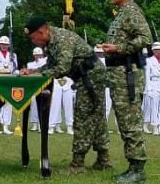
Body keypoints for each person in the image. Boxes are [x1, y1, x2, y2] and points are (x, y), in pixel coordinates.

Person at [21, 16, 110, 175]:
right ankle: (104, 160)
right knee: (97, 116)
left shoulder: (62, 39)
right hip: (87, 76)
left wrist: (39, 76)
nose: (33, 42)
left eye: (33, 38)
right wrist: (33, 72)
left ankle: (78, 164)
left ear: (42, 32)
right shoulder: (52, 41)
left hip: (91, 77)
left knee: (83, 118)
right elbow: (51, 65)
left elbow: (63, 67)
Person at [100, 0, 152, 184]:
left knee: (130, 120)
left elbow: (146, 38)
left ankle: (137, 169)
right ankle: (133, 166)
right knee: (124, 120)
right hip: (118, 73)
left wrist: (118, 48)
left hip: (127, 74)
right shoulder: (122, 13)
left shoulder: (131, 11)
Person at [25, 47, 47, 132]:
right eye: (36, 55)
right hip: (33, 86)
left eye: (39, 55)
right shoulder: (30, 64)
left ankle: (41, 124)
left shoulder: (45, 62)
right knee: (34, 105)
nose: (38, 56)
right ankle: (34, 124)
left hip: (43, 85)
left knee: (42, 105)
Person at [95, 46, 113, 122]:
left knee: (107, 107)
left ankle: (105, 122)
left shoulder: (108, 61)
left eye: (101, 53)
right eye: (98, 53)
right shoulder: (92, 62)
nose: (100, 55)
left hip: (107, 87)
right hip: (96, 87)